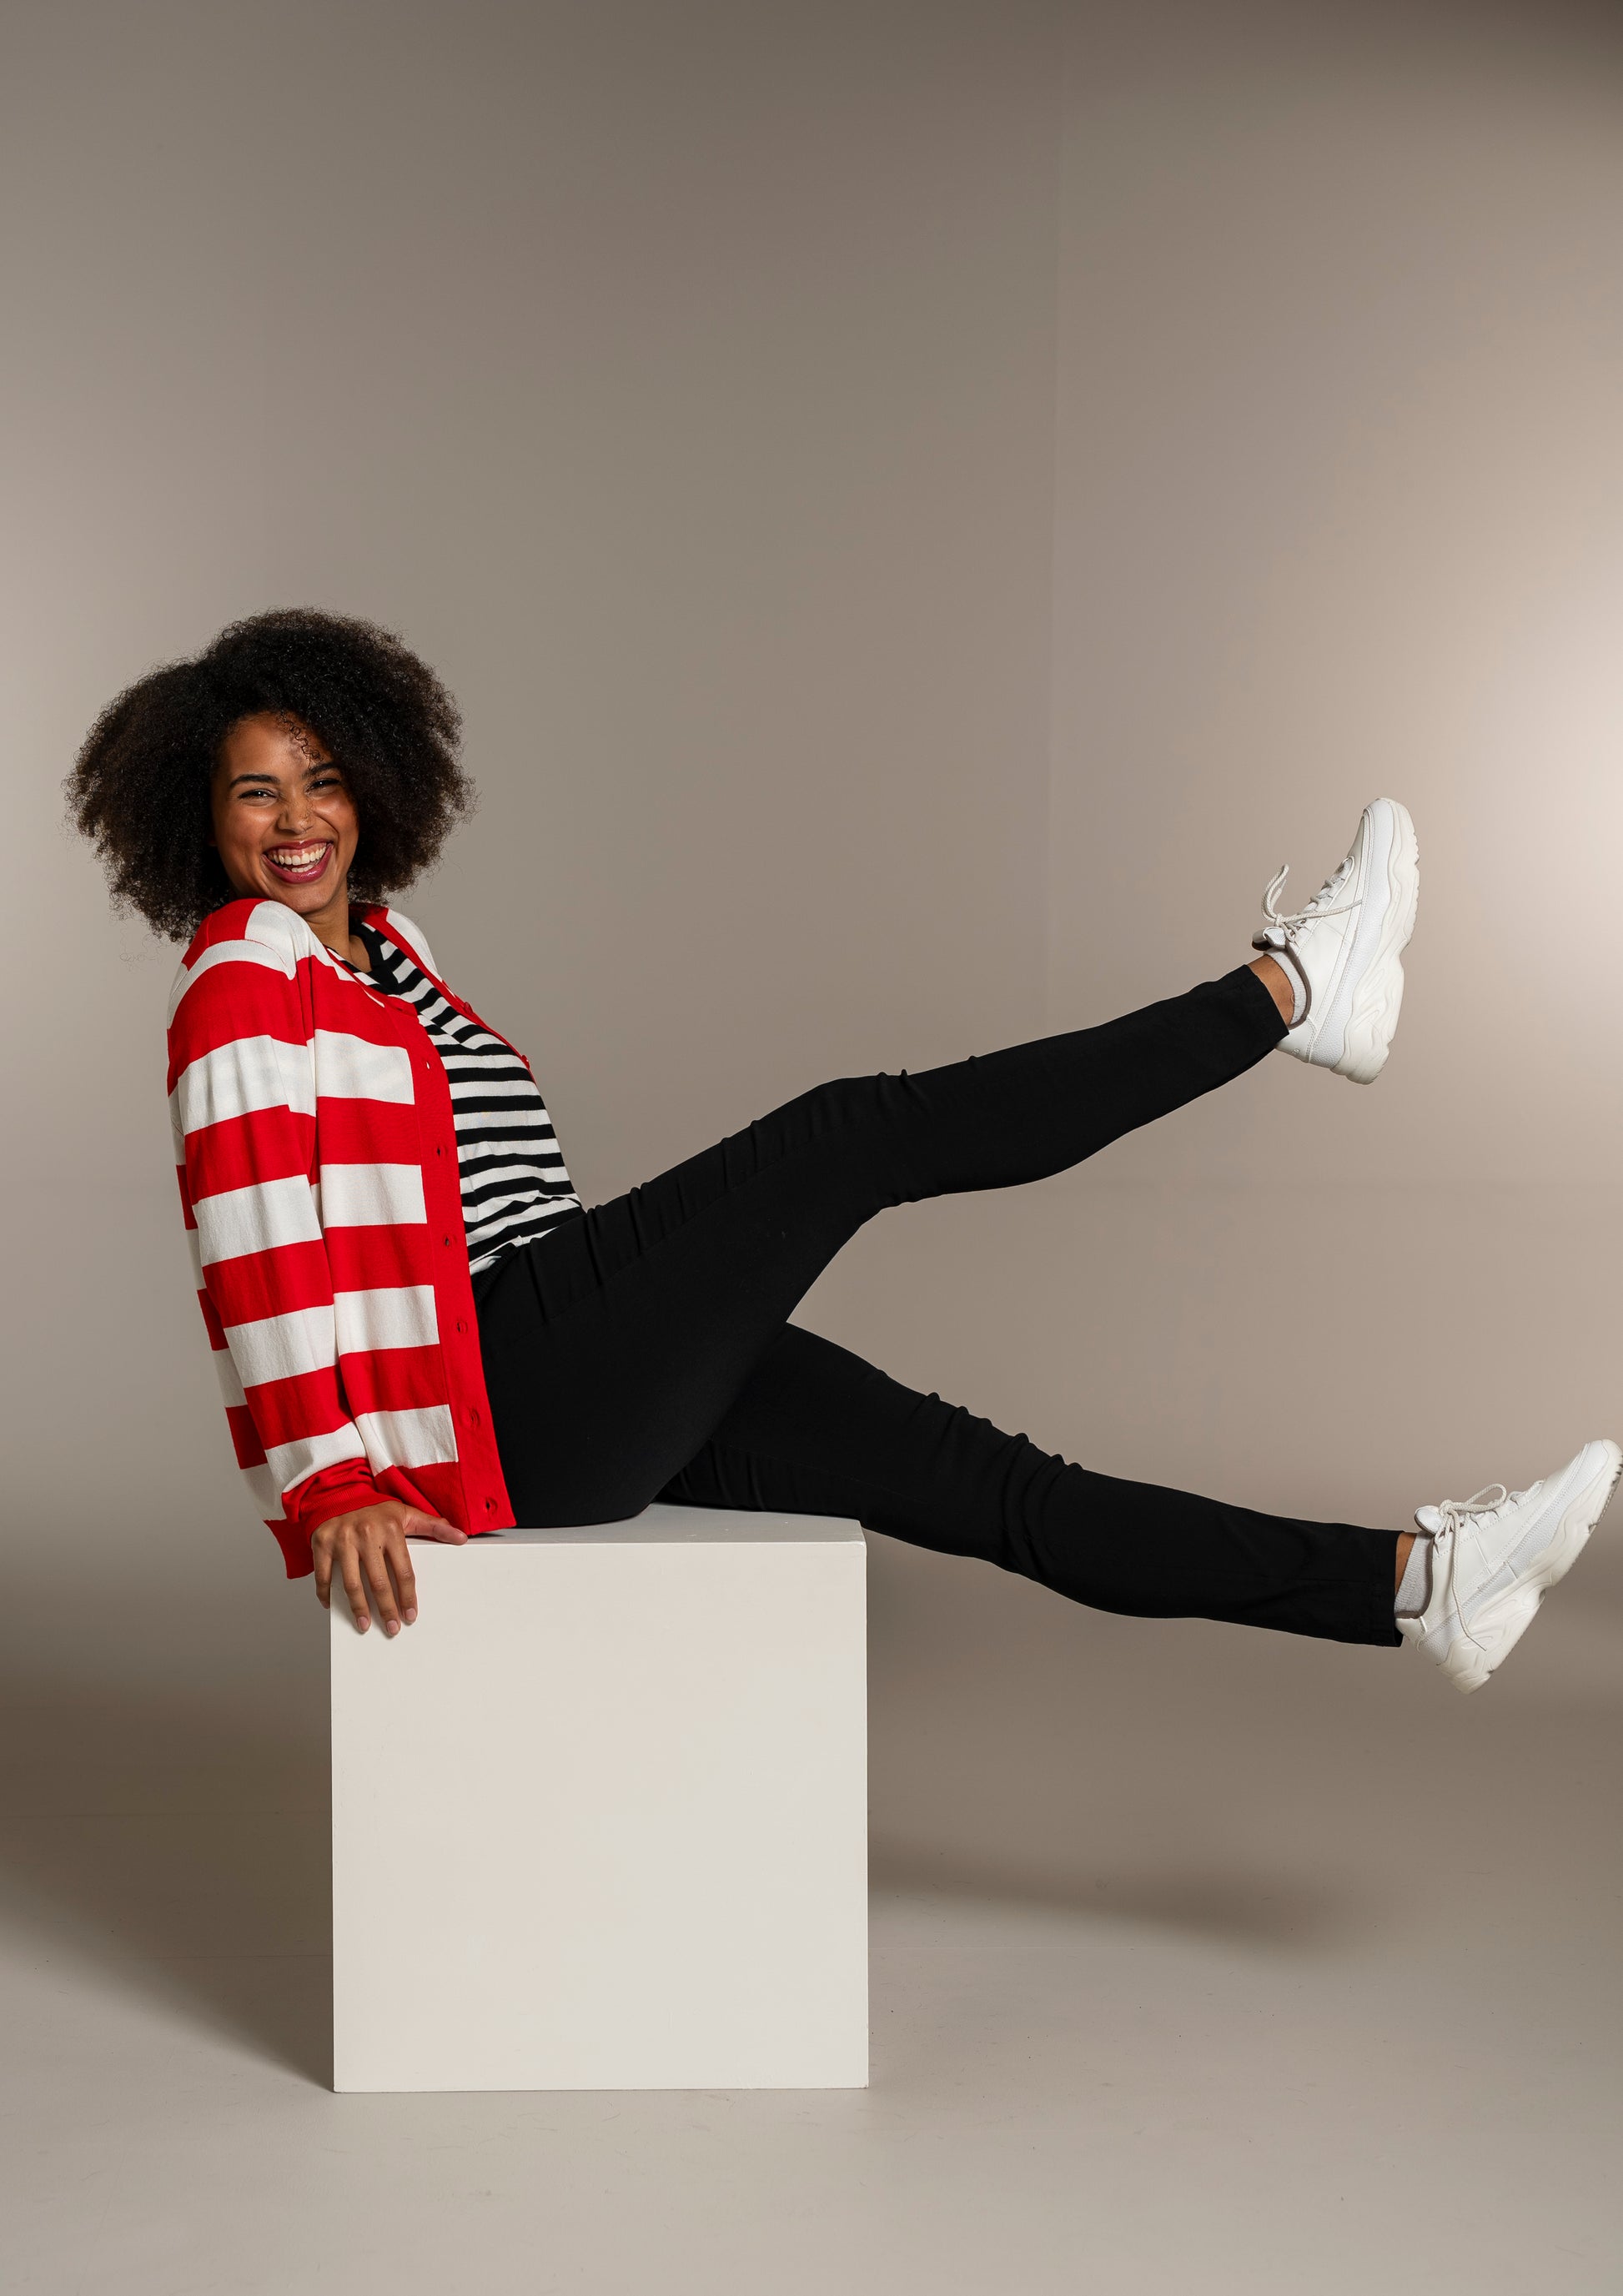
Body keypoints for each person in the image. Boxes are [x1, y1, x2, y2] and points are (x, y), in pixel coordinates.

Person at [71, 608, 1618, 1696]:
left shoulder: (391, 957)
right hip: (512, 1376)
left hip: (576, 1374)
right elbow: (255, 1246)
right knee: (850, 1131)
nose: (297, 819)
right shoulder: (244, 983)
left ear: (374, 783)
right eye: (255, 792)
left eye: (323, 779)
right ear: (198, 820)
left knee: (992, 1484)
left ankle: (1413, 1584)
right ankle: (1282, 995)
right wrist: (329, 1481)